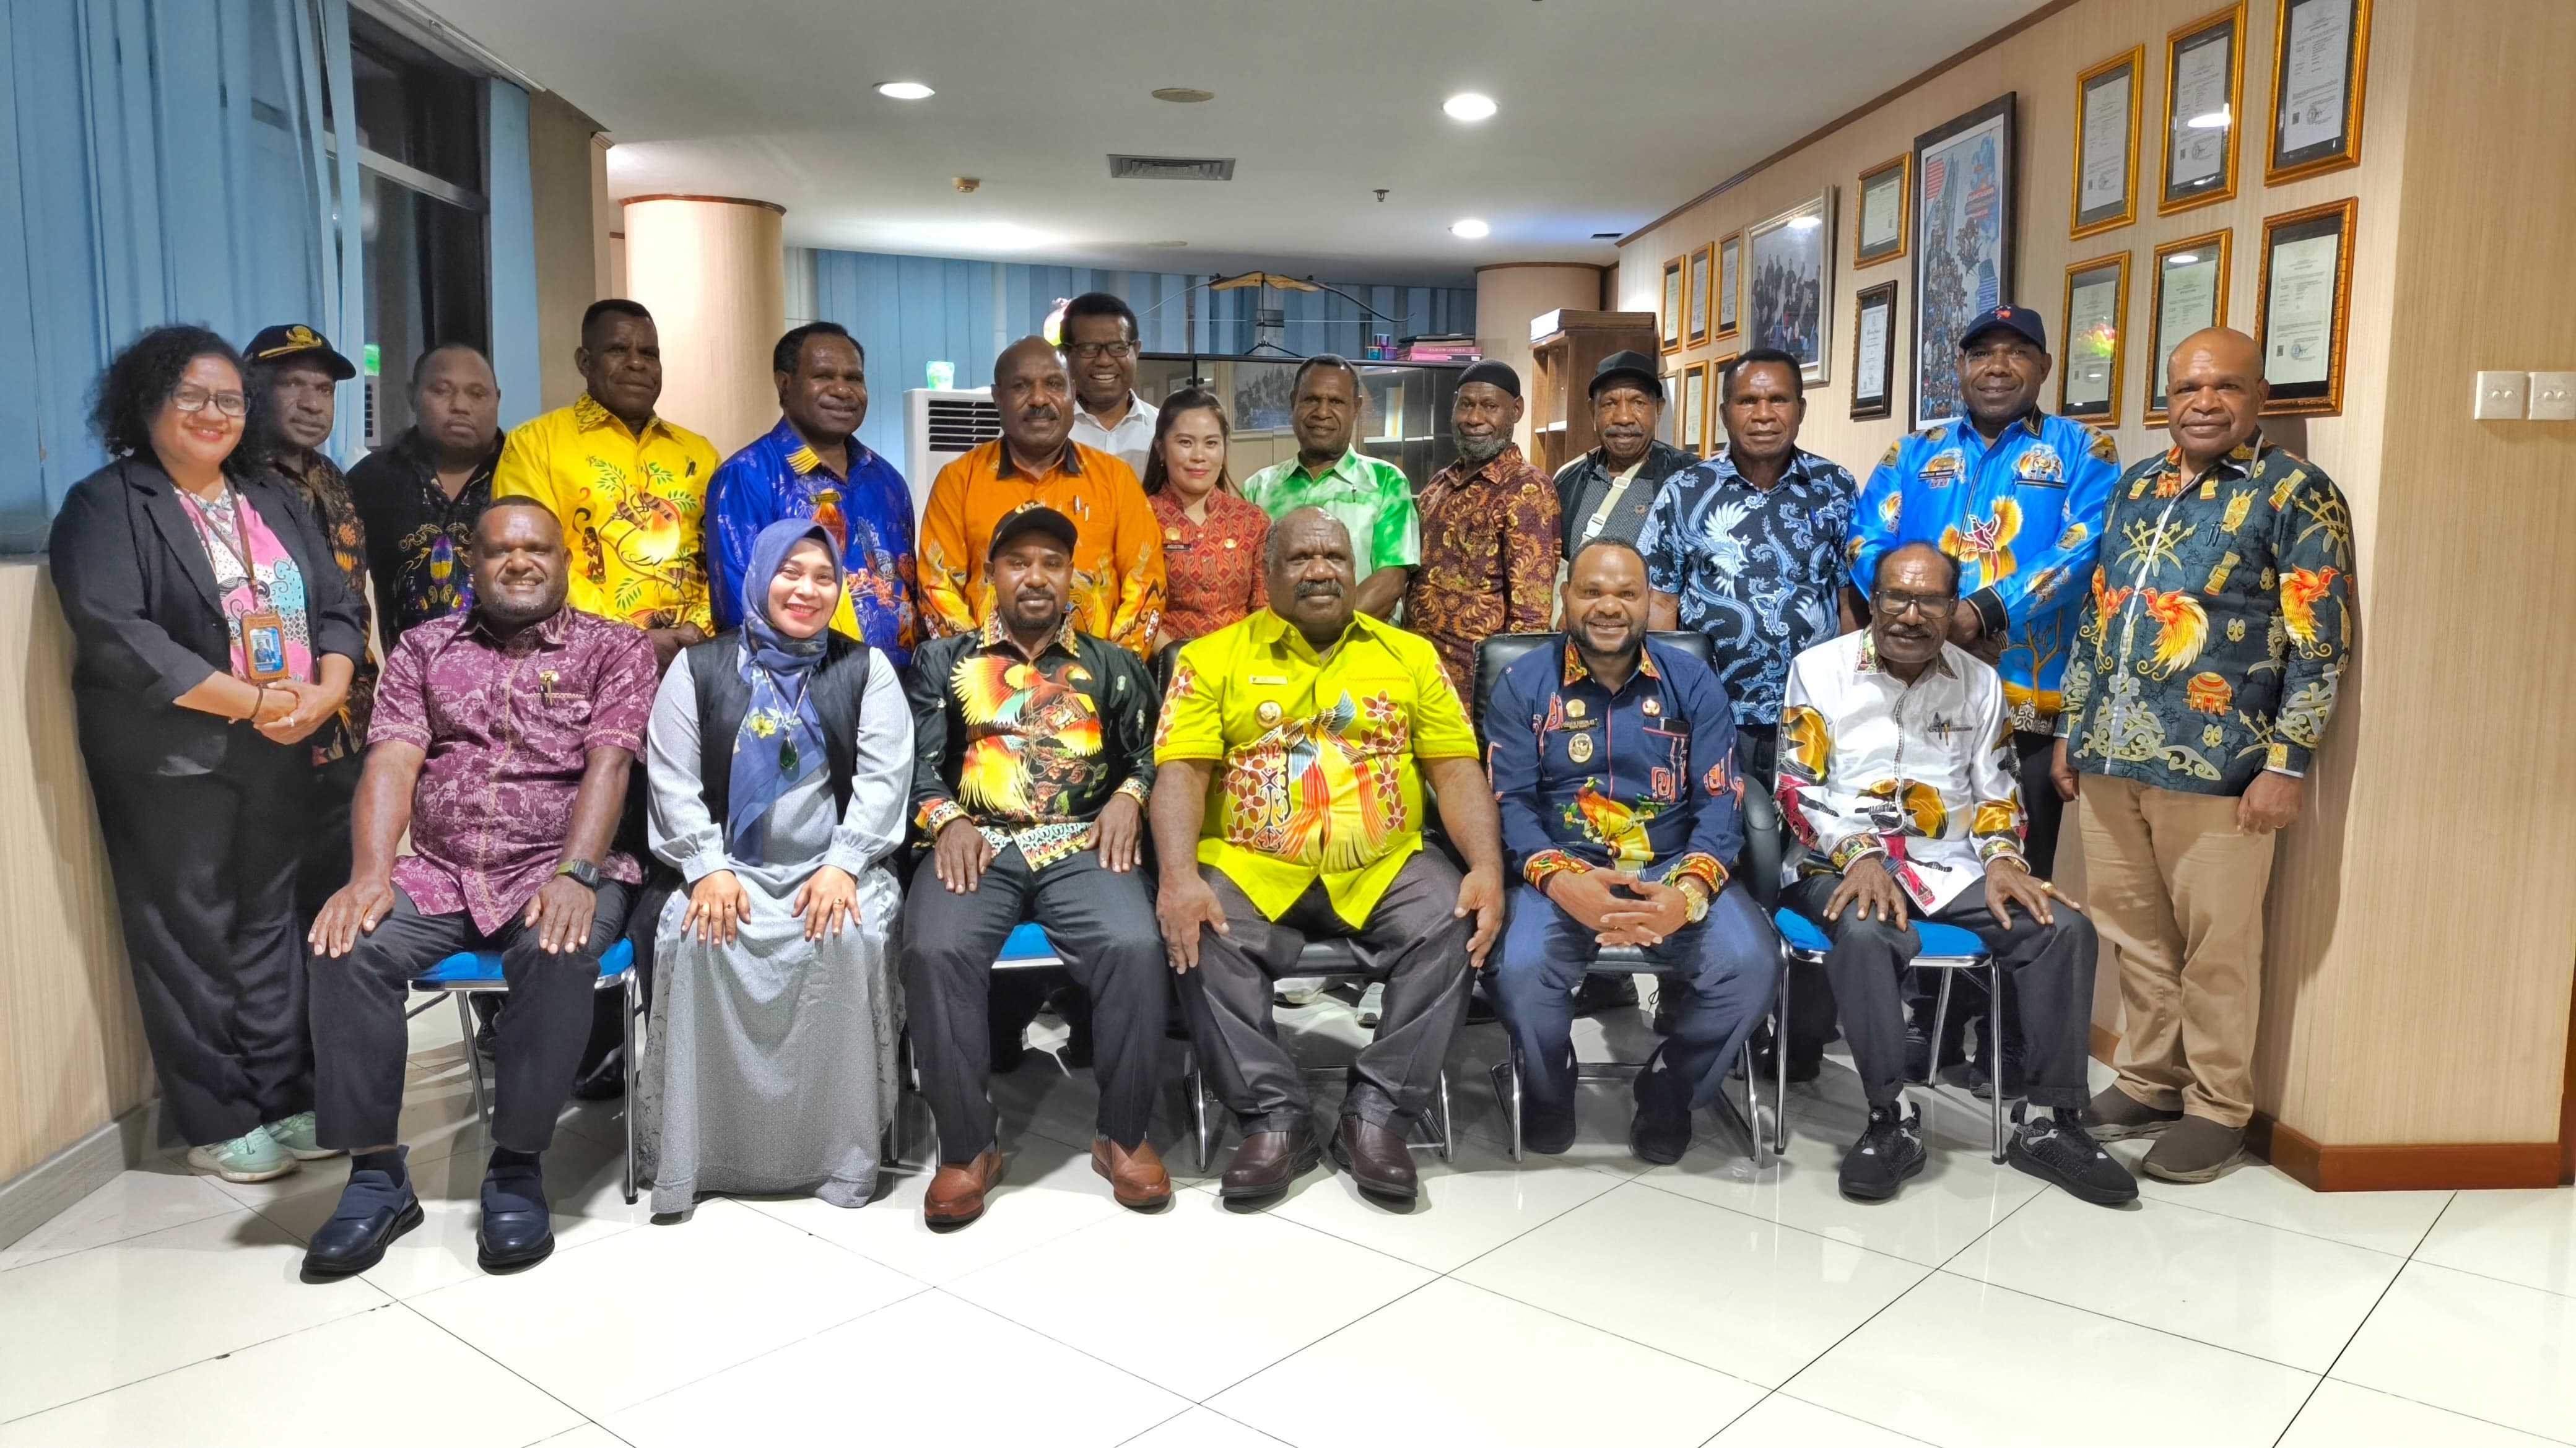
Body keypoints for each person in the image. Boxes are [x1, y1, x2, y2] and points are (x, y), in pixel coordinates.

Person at [300, 499, 655, 1277]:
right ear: (473, 560)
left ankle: (516, 1165)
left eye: (536, 550)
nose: (518, 562)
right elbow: (392, 761)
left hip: (559, 863)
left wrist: (575, 871)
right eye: (500, 551)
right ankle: (375, 1176)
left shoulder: (616, 648)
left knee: (556, 949)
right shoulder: (424, 648)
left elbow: (611, 763)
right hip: (439, 867)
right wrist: (369, 873)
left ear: (566, 560)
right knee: (344, 946)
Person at [50, 325, 363, 1184]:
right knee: (188, 932)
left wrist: (327, 689)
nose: (212, 412)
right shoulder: (108, 503)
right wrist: (260, 700)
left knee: (270, 922)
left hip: (281, 745)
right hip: (172, 759)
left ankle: (285, 1095)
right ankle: (219, 1114)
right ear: (146, 402)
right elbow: (122, 637)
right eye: (190, 394)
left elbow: (338, 603)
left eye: (228, 398)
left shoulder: (269, 497)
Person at [2055, 327, 2355, 1184]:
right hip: (2114, 757)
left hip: (2223, 765)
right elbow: (2099, 614)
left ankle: (2219, 1105)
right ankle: (2149, 1079)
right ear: (2167, 397)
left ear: (2260, 397)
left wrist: (2288, 763)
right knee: (2135, 935)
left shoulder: (2297, 493)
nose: (2204, 402)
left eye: (2225, 386)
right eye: (2188, 387)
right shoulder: (2138, 485)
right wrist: (2077, 729)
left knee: (2218, 945)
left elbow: (2319, 642)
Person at [1152, 508, 1506, 1204]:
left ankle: (1375, 1114)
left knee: (1454, 913)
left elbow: (1457, 770)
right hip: (1254, 862)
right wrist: (1177, 877)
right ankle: (1273, 1116)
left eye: (1336, 557)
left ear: (1355, 569)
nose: (1321, 570)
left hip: (1382, 862)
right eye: (1301, 558)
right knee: (1197, 919)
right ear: (1268, 573)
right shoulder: (1208, 659)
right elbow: (1180, 775)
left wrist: (1486, 867)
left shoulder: (1407, 655)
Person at [1777, 542, 2134, 1208]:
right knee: (1864, 929)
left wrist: (2002, 858)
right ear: (1872, 600)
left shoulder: (1979, 681)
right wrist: (1859, 854)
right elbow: (1797, 787)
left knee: (2061, 929)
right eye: (1895, 597)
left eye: (1929, 601)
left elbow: (1997, 789)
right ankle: (1891, 1119)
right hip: (1839, 858)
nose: (1910, 615)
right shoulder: (1818, 670)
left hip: (1951, 863)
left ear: (1951, 607)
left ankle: (2050, 1122)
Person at [1847, 305, 2117, 1093]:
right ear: (1957, 367)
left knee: (2006, 869)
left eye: (2015, 353)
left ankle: (2002, 1043)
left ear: (2042, 365)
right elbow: (1866, 539)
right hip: (1915, 691)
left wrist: (1984, 611)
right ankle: (1926, 1024)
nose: (1996, 366)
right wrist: (1918, 612)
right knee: (1918, 849)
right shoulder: (1914, 450)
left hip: (2025, 693)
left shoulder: (2080, 449)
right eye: (1981, 353)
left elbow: (2085, 542)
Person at [899, 505, 1168, 1228]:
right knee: (932, 948)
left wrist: (1130, 797)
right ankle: (966, 1144)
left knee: (1134, 945)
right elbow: (915, 767)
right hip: (975, 841)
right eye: (1018, 561)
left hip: (1080, 842)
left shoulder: (1110, 663)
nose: (1036, 576)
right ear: (990, 575)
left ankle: (1122, 1132)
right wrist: (947, 818)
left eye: (1053, 562)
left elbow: (1147, 756)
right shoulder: (945, 660)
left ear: (1072, 577)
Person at [641, 521, 911, 1213]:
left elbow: (885, 779)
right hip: (729, 866)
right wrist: (705, 869)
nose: (807, 589)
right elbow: (672, 779)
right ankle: (702, 1156)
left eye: (824, 576)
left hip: (832, 866)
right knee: (702, 936)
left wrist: (845, 865)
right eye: (790, 571)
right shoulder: (697, 668)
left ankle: (840, 1158)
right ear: (759, 576)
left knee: (847, 936)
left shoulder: (864, 668)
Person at [1485, 539, 1780, 1161]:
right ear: (1565, 597)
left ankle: (1670, 1086)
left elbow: (1723, 794)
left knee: (1750, 965)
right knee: (1517, 969)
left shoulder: (1691, 679)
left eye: (1625, 592)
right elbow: (1508, 801)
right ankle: (1548, 1080)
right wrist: (1560, 880)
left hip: (1672, 863)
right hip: (1563, 866)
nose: (1608, 606)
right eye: (1591, 591)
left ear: (1650, 602)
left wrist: (1690, 889)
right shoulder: (1523, 683)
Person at [1640, 345, 1857, 1072]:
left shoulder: (1834, 488)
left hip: (1809, 721)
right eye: (1747, 402)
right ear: (1724, 410)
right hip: (1709, 720)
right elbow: (1660, 604)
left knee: (1808, 859)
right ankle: (1696, 1009)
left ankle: (1800, 1030)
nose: (1762, 414)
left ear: (1799, 407)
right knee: (1711, 856)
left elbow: (1851, 605)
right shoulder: (1685, 489)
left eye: (1778, 401)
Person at [495, 298, 716, 672]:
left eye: (650, 353)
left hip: (695, 662)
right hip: (579, 664)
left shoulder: (699, 452)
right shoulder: (535, 444)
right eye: (618, 350)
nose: (637, 363)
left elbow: (723, 558)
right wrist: (628, 639)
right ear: (585, 362)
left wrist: (698, 629)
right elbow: (529, 561)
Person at [246, 323, 380, 929]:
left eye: (322, 388)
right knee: (281, 906)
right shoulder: (237, 479)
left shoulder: (332, 476)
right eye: (291, 385)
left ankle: (331, 1024)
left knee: (344, 895)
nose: (310, 402)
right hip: (280, 723)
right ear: (251, 390)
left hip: (350, 725)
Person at [918, 337, 1164, 657]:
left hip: (1095, 689)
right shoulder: (958, 481)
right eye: (1021, 386)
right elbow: (938, 588)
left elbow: (1146, 584)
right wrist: (987, 675)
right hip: (987, 690)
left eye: (1053, 384)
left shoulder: (1116, 479)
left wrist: (1108, 672)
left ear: (1072, 393)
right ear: (997, 397)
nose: (1038, 399)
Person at [706, 322, 918, 662]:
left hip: (898, 689)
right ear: (784, 385)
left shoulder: (888, 480)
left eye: (854, 378)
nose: (843, 390)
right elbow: (737, 612)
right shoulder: (746, 478)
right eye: (823, 376)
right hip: (799, 694)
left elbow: (909, 589)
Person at [1404, 358, 1559, 693]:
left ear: (1516, 411)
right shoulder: (1437, 486)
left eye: (1490, 407)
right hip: (1420, 676)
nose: (1474, 418)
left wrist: (1515, 698)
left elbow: (1531, 617)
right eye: (1466, 405)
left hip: (1481, 688)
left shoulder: (1527, 490)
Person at [1238, 355, 1419, 623]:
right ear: (1293, 403)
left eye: (1336, 402)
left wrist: (1320, 634)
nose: (1322, 412)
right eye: (1311, 399)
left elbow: (1390, 583)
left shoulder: (1386, 483)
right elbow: (1246, 584)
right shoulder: (1258, 488)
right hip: (1275, 653)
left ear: (1356, 408)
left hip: (1358, 649)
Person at [347, 343, 502, 648]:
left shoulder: (525, 474)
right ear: (412, 396)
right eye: (442, 391)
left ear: (497, 400)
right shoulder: (370, 481)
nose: (460, 405)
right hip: (408, 686)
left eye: (477, 394)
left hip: (514, 684)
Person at [1141, 386, 1267, 648]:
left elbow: (1264, 608)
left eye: (1211, 443)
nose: (1199, 456)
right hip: (1165, 670)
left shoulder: (1252, 520)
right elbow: (1138, 609)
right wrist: (1185, 662)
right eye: (1185, 442)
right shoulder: (1140, 517)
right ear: (1161, 449)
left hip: (1240, 666)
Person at [1551, 350, 1696, 557]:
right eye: (1610, 404)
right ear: (1593, 411)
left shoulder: (1689, 478)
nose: (1624, 418)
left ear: (1659, 409)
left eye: (1638, 402)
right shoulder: (1568, 479)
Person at [1062, 292, 1159, 474]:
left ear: (1136, 350)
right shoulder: (1041, 430)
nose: (1104, 361)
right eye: (1089, 349)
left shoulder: (1162, 429)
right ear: (1065, 354)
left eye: (1118, 348)